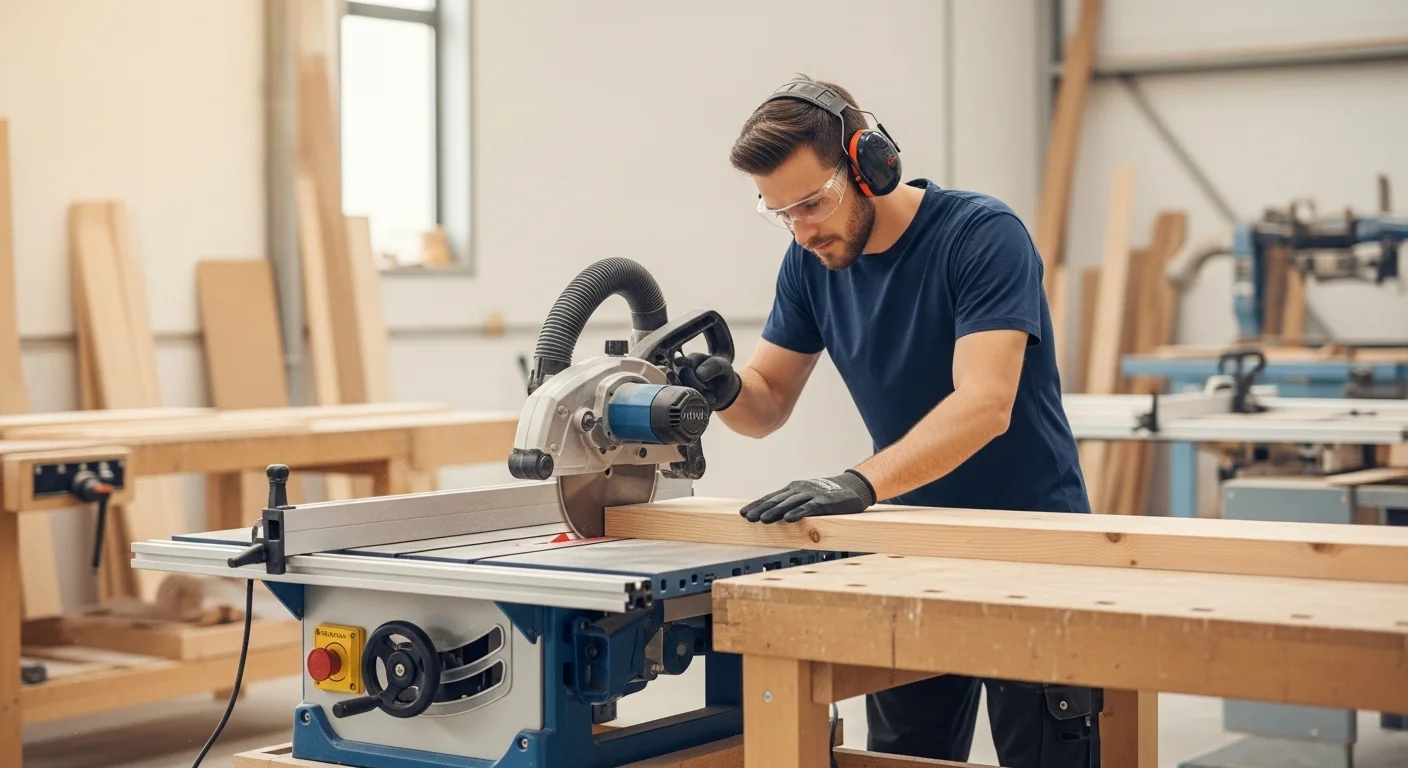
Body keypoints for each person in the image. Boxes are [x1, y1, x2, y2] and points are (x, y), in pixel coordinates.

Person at [673, 75, 1102, 767]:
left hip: (1030, 544)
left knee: (1047, 753)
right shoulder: (810, 264)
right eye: (780, 213)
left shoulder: (981, 235)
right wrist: (725, 390)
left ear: (870, 165)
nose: (802, 229)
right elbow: (768, 405)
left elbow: (985, 404)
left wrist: (861, 482)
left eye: (812, 203)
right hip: (912, 548)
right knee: (906, 756)